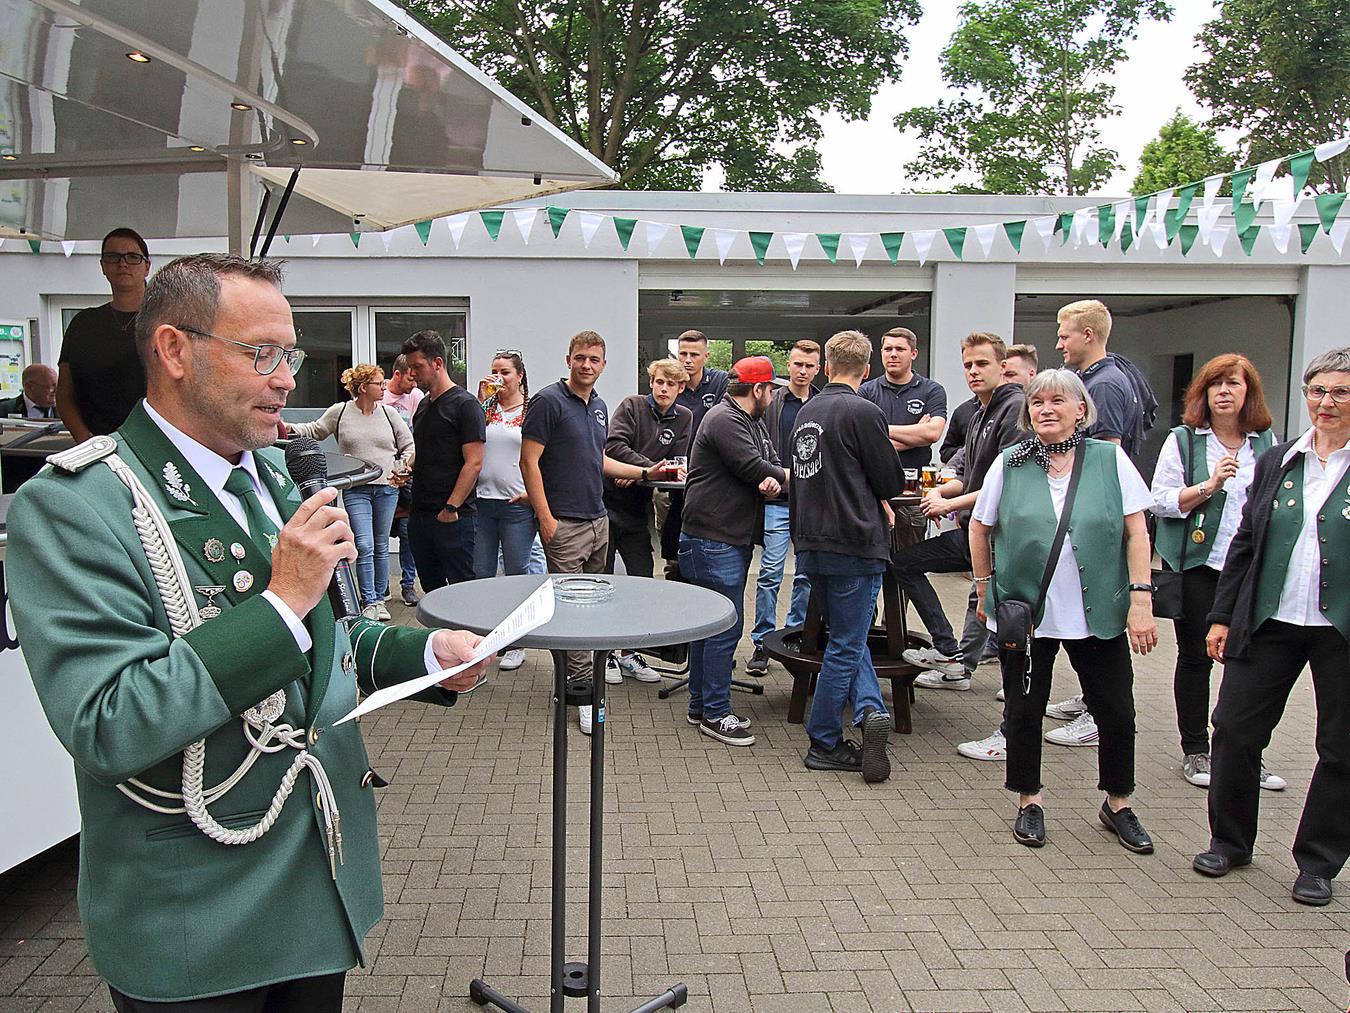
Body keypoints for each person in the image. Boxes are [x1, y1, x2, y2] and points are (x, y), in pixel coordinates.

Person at [7, 253, 488, 1011]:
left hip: (315, 882)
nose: (287, 378)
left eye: (288, 355)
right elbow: (109, 722)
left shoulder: (267, 475)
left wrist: (429, 652)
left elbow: (323, 640)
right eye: (262, 353)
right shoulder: (79, 504)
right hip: (200, 914)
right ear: (174, 350)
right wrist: (281, 600)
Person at [969, 369, 1157, 853]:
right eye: (1037, 402)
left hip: (1099, 611)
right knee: (1024, 710)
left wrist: (1141, 599)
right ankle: (1028, 800)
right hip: (1027, 614)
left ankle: (1118, 803)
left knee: (1116, 711)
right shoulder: (1011, 462)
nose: (1046, 409)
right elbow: (979, 526)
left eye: (1057, 400)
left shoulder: (1109, 459)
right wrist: (984, 589)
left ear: (1081, 410)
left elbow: (1137, 531)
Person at [1194, 347, 1350, 906]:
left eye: (1341, 392)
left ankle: (1318, 862)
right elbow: (1246, 543)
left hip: (1341, 629)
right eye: (1318, 390)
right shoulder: (1280, 460)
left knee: (1341, 747)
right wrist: (1221, 616)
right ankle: (1229, 841)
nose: (1326, 402)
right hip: (1270, 619)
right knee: (1234, 728)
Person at [1149, 354, 1282, 790]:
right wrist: (1210, 486)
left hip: (1248, 569)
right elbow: (1160, 500)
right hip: (1198, 567)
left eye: (1233, 384)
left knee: (1249, 663)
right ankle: (1196, 750)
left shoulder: (1267, 443)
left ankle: (1243, 753)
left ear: (1249, 392)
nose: (1223, 392)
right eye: (1215, 384)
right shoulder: (1185, 441)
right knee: (1195, 658)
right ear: (1203, 393)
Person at [521, 331, 654, 733]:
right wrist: (545, 518)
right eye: (580, 358)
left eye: (594, 359)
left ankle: (582, 679)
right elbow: (528, 462)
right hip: (565, 524)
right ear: (568, 360)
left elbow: (599, 460)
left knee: (594, 609)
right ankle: (580, 694)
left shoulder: (598, 405)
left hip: (599, 521)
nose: (586, 365)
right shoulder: (547, 401)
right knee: (572, 609)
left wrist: (646, 472)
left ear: (603, 365)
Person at [789, 331, 903, 781]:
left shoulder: (807, 411)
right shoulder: (865, 411)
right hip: (855, 542)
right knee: (847, 645)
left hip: (812, 541)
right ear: (867, 369)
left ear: (826, 366)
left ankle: (870, 710)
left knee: (844, 637)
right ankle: (824, 741)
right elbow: (890, 481)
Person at [892, 334, 1024, 710]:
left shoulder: (1015, 409)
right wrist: (938, 491)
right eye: (968, 365)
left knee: (1005, 608)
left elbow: (1008, 484)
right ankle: (951, 655)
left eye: (982, 364)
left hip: (1004, 537)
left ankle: (1018, 694)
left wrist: (949, 500)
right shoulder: (978, 412)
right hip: (973, 533)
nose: (973, 371)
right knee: (903, 564)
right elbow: (964, 472)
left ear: (1002, 367)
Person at [1045, 300, 1151, 748]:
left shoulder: (1105, 384)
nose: (1059, 344)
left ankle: (1096, 711)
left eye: (1064, 335)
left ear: (1088, 335)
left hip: (1095, 527)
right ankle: (1091, 699)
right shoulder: (1102, 376)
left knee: (1095, 628)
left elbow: (1104, 457)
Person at [679, 356, 788, 747]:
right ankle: (715, 713)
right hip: (714, 540)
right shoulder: (726, 419)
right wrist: (785, 478)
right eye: (771, 388)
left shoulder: (751, 421)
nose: (773, 395)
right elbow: (755, 467)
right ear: (757, 389)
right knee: (725, 626)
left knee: (708, 626)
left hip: (726, 538)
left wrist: (773, 478)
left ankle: (700, 706)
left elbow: (770, 464)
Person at [285, 363, 412, 621]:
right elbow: (315, 430)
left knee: (381, 544)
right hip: (356, 488)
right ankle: (370, 600)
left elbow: (408, 445)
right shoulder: (341, 411)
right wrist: (285, 426)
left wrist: (403, 467)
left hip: (387, 488)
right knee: (364, 544)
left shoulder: (389, 414)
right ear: (363, 387)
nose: (384, 387)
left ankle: (380, 597)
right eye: (379, 383)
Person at [602, 357, 692, 683]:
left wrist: (641, 474)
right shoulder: (632, 405)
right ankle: (604, 655)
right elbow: (614, 445)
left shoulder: (685, 417)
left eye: (671, 384)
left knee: (640, 581)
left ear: (681, 388)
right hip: (606, 506)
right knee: (604, 583)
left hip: (637, 511)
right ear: (651, 383)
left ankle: (629, 653)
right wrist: (644, 471)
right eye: (659, 382)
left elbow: (676, 462)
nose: (664, 388)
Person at [746, 339, 819, 675]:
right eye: (797, 364)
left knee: (805, 575)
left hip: (811, 503)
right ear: (788, 365)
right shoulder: (772, 401)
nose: (802, 371)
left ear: (818, 369)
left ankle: (794, 637)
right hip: (777, 500)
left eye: (809, 366)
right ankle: (762, 642)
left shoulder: (821, 403)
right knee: (770, 573)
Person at [401, 330, 485, 590]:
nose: (411, 373)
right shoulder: (423, 406)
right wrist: (408, 467)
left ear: (437, 363)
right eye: (409, 367)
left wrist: (451, 507)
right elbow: (426, 448)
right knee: (431, 590)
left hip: (454, 516)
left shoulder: (465, 405)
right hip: (420, 514)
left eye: (417, 367)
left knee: (462, 591)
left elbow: (474, 462)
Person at [473, 350, 537, 672]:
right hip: (483, 501)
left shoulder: (531, 410)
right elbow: (471, 439)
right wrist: (480, 398)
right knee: (481, 573)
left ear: (520, 376)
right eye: (494, 371)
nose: (498, 378)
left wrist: (533, 494)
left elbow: (543, 455)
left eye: (505, 372)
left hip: (517, 504)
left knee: (516, 574)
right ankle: (484, 638)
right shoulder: (486, 408)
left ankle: (517, 642)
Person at [56, 228, 150, 441]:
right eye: (113, 257)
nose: (123, 264)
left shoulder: (166, 322)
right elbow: (64, 394)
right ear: (103, 266)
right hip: (96, 444)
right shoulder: (82, 324)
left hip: (154, 445)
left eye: (132, 257)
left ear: (147, 266)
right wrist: (85, 439)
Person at [660, 329, 731, 576]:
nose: (688, 360)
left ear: (706, 356)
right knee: (671, 529)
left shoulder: (720, 381)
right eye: (683, 354)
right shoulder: (669, 383)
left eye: (694, 354)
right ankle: (674, 572)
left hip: (707, 475)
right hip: (673, 474)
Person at [859, 326, 947, 473]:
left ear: (913, 354)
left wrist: (878, 429)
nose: (893, 354)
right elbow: (864, 443)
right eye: (888, 349)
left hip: (917, 480)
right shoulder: (865, 392)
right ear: (881, 353)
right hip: (875, 479)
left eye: (900, 349)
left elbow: (933, 433)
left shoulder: (932, 390)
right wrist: (917, 436)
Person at [380, 353, 425, 606]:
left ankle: (408, 584)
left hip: (408, 473)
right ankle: (381, 585)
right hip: (383, 474)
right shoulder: (380, 396)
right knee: (381, 533)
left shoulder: (415, 396)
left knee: (409, 533)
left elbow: (417, 435)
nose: (414, 383)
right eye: (410, 378)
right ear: (397, 374)